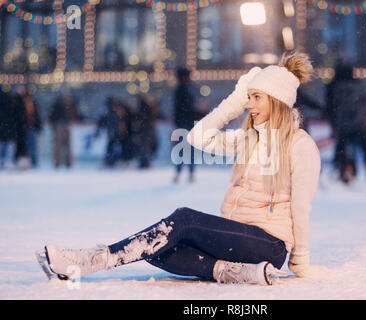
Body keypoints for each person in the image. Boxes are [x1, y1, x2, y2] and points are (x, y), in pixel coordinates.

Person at [40, 52, 327, 285]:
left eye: (255, 98)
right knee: (159, 248)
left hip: (269, 244)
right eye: (248, 98)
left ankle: (92, 260)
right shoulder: (248, 139)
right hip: (239, 234)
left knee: (184, 219)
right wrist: (235, 100)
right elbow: (198, 137)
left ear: (276, 101)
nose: (249, 105)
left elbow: (302, 208)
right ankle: (233, 272)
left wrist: (299, 260)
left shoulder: (300, 145)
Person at [326, 63, 366, 186]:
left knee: (342, 148)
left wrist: (334, 124)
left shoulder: (335, 87)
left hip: (343, 123)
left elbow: (331, 107)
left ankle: (343, 171)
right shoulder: (359, 86)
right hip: (361, 123)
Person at [172, 67, 198, 183]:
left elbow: (178, 110)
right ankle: (190, 173)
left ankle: (179, 172)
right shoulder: (191, 89)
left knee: (181, 150)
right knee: (190, 150)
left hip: (182, 124)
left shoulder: (179, 89)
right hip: (190, 124)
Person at [49, 88, 79, 168]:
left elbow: (75, 113)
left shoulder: (70, 103)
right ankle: (57, 162)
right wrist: (54, 124)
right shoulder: (58, 104)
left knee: (68, 145)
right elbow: (53, 115)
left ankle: (68, 162)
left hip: (67, 125)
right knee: (58, 145)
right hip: (59, 125)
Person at [135, 94, 159, 169]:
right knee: (146, 146)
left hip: (145, 129)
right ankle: (145, 161)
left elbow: (141, 118)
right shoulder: (149, 106)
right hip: (148, 128)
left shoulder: (143, 106)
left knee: (144, 146)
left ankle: (144, 162)